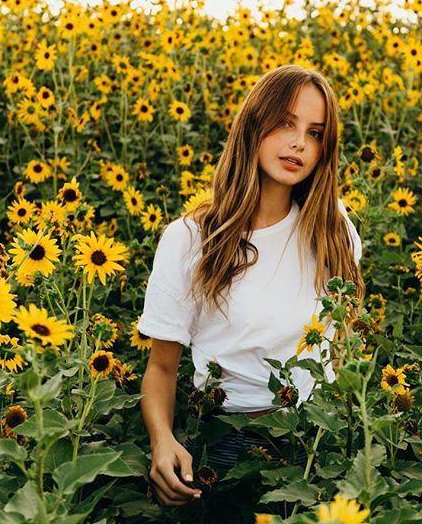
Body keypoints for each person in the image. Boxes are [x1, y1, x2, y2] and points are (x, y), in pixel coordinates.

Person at [138, 64, 365, 522]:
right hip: (225, 446)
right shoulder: (190, 239)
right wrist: (163, 443)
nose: (299, 142)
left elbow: (343, 351)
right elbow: (162, 367)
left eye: (315, 133)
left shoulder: (332, 230)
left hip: (314, 441)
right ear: (253, 125)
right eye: (285, 123)